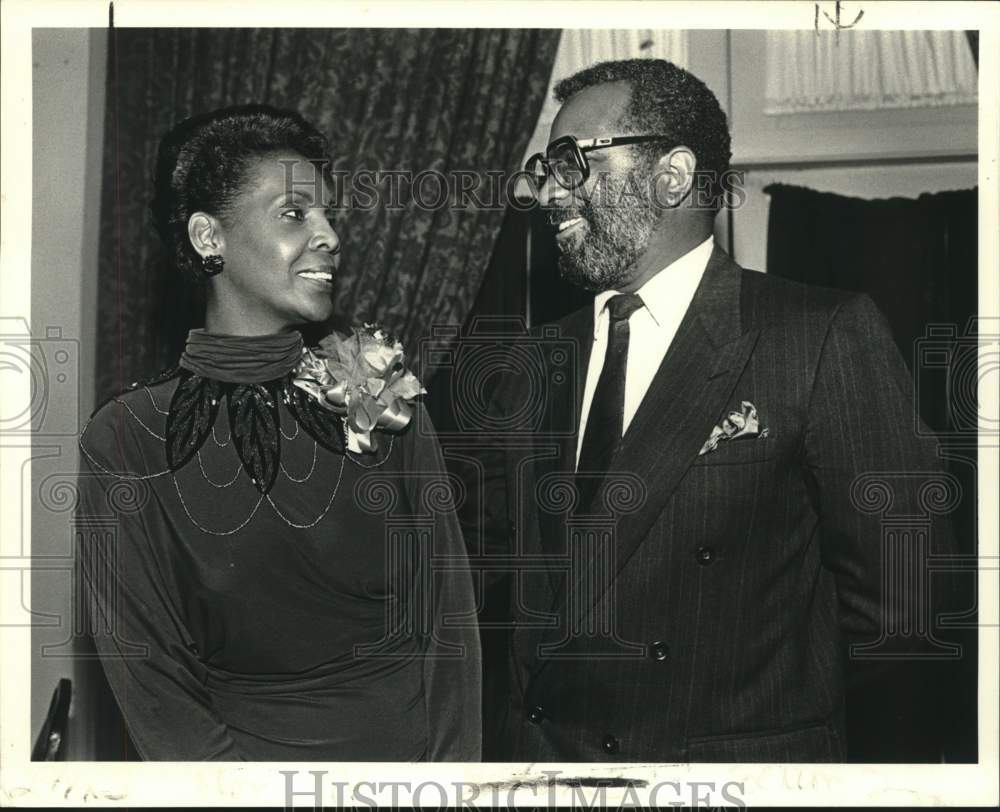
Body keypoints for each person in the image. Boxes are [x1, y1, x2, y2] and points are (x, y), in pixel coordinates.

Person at [478, 59, 955, 761]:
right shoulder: (532, 361)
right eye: (545, 167)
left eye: (571, 162)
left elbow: (902, 612)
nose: (545, 190)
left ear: (672, 175)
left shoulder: (817, 335)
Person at [75, 105, 481, 761]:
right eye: (295, 214)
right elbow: (148, 672)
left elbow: (448, 613)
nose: (329, 236)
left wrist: (449, 783)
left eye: (326, 214)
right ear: (209, 237)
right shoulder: (127, 436)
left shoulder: (375, 384)